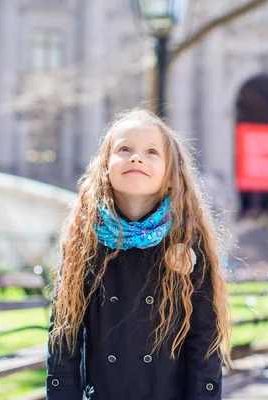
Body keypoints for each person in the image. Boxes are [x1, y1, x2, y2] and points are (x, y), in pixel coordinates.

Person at [46, 108, 231, 399]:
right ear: (105, 166)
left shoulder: (189, 241)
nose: (136, 157)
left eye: (151, 152)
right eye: (124, 149)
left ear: (171, 175)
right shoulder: (84, 241)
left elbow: (204, 344)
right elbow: (63, 342)